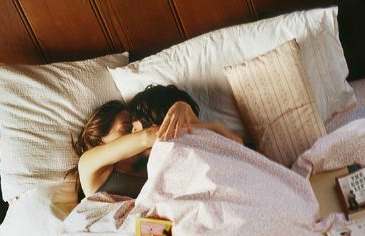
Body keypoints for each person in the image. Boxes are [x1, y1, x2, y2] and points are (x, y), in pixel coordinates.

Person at [71, 84, 242, 199]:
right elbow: (148, 136)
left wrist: (189, 115)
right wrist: (185, 112)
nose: (136, 130)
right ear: (101, 140)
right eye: (127, 128)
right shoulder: (89, 165)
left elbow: (234, 147)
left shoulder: (155, 163)